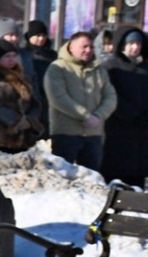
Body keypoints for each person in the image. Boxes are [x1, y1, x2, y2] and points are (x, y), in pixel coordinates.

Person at [99, 28, 148, 186]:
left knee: (138, 177)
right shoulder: (111, 67)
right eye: (131, 43)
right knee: (116, 173)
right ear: (122, 45)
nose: (135, 47)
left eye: (138, 43)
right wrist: (131, 115)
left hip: (143, 129)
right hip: (118, 127)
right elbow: (111, 94)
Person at [46, 31, 115, 171]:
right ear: (71, 47)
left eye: (91, 47)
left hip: (94, 134)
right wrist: (86, 116)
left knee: (92, 177)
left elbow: (111, 96)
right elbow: (58, 98)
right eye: (84, 47)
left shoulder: (99, 70)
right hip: (66, 133)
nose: (88, 50)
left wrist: (98, 115)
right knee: (63, 176)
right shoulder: (57, 68)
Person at [0, 40, 46, 154]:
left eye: (14, 56)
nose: (12, 59)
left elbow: (34, 103)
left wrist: (30, 120)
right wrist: (16, 121)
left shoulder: (24, 78)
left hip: (21, 140)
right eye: (7, 56)